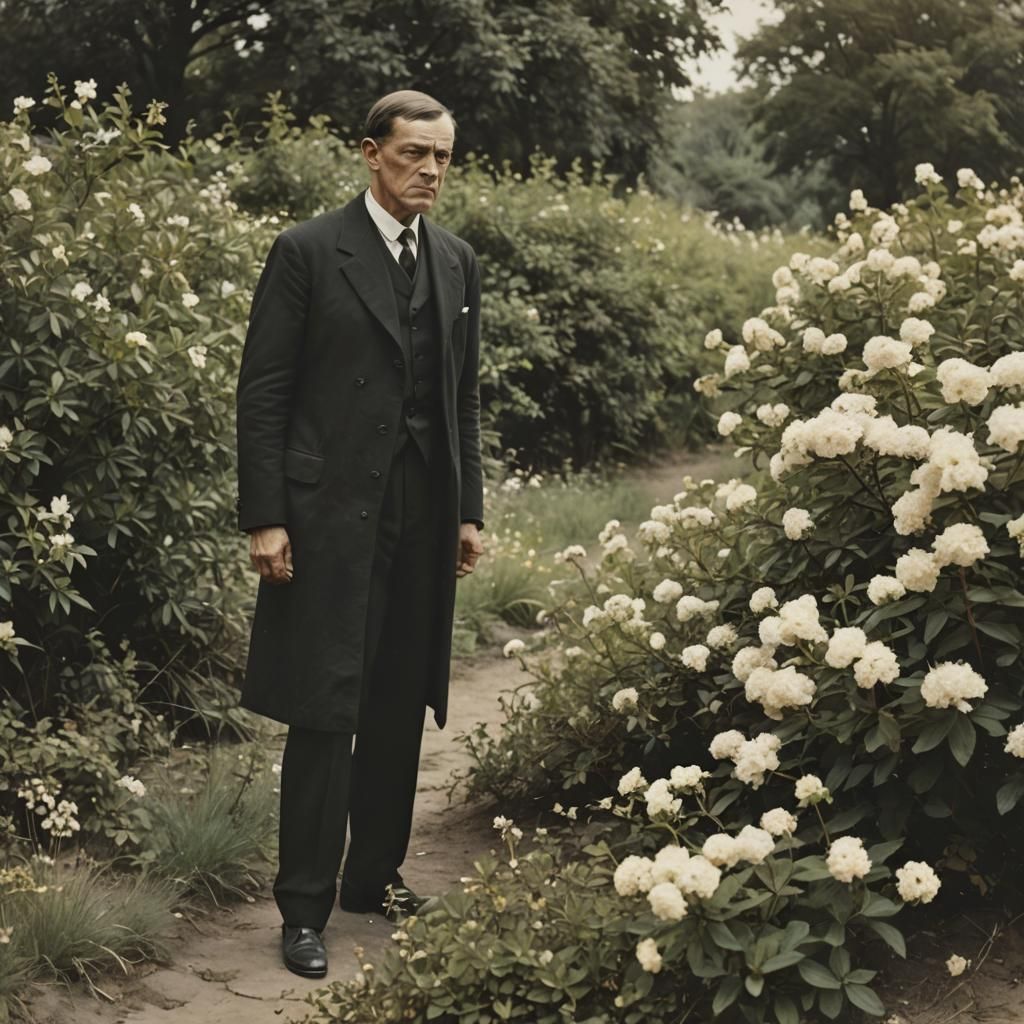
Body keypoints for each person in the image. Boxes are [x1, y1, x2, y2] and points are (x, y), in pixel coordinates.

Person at [234, 89, 485, 979]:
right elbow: (263, 390)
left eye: (442, 157)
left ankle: (372, 880)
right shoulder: (307, 251)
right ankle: (303, 909)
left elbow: (463, 400)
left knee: (395, 703)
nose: (429, 170)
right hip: (327, 519)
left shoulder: (455, 262)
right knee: (323, 708)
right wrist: (265, 515)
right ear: (369, 153)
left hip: (421, 517)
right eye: (413, 153)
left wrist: (467, 508)